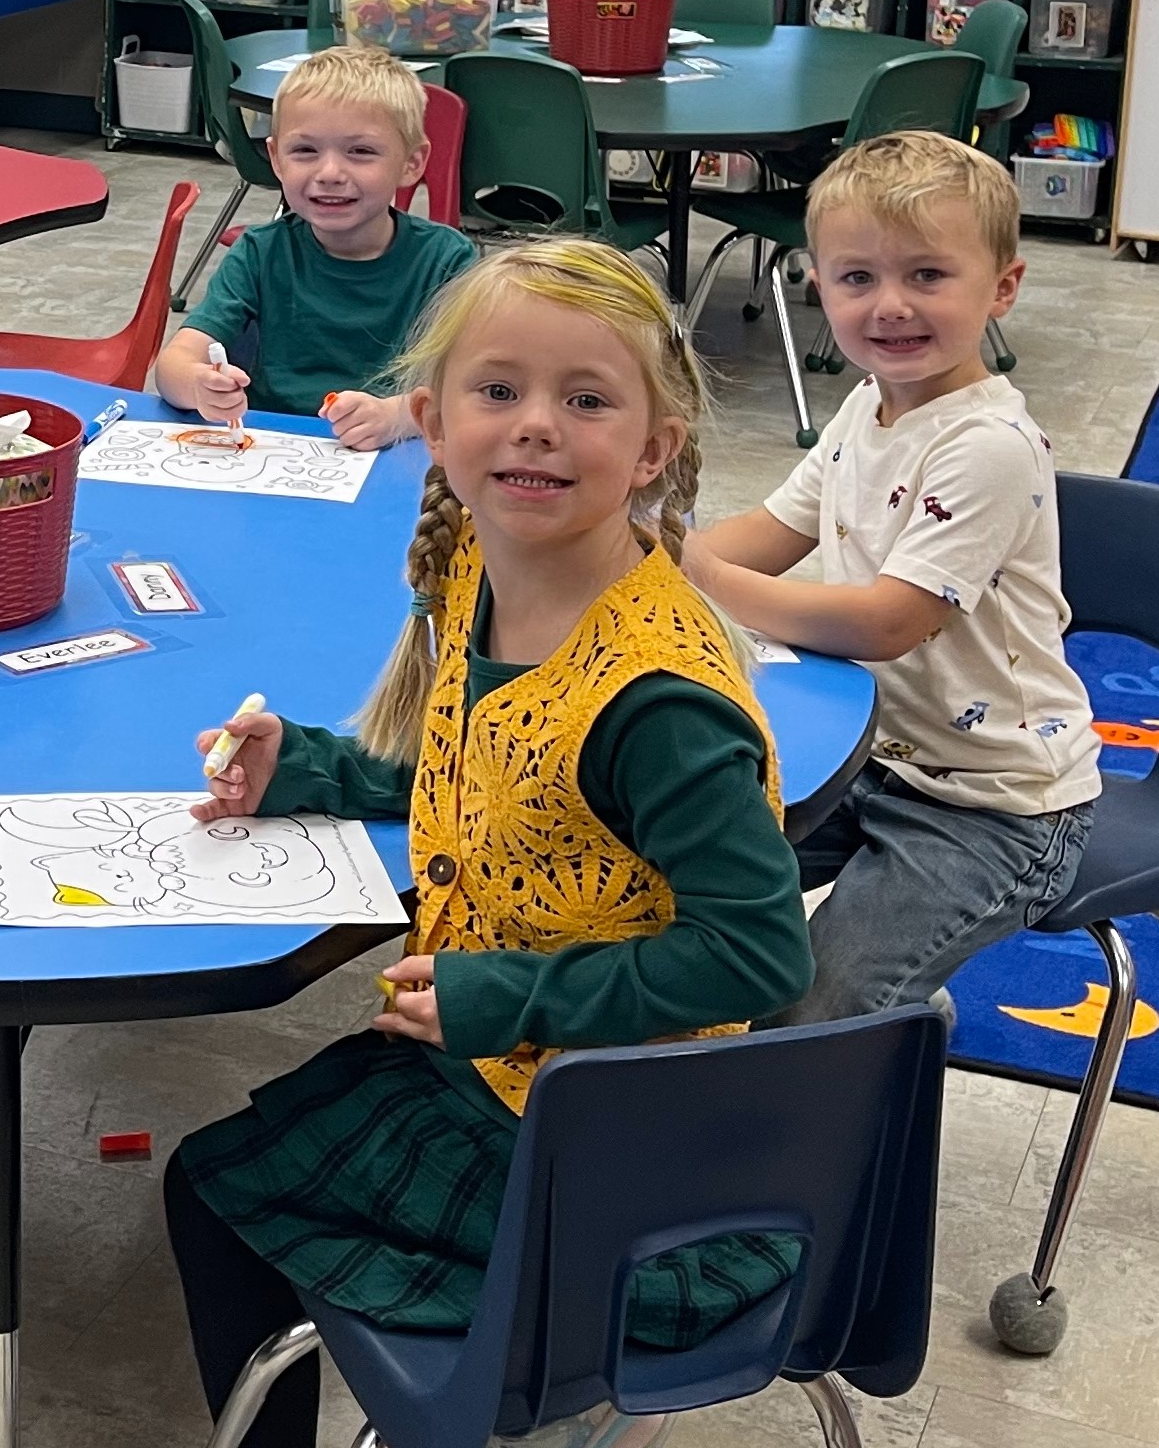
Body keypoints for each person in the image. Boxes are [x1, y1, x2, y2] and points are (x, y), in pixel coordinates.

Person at [166, 239, 810, 1448]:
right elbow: (488, 763)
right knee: (244, 1164)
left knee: (215, 1186)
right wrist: (308, 766)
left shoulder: (658, 703)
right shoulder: (480, 560)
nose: (536, 425)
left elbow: (758, 954)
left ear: (654, 448)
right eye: (498, 389)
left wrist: (505, 995)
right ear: (433, 420)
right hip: (518, 1066)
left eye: (587, 399)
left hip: (605, 1123)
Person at [686, 131, 1098, 1025]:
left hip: (995, 806)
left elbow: (885, 624)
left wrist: (696, 572)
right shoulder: (867, 406)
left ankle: (878, 1033)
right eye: (858, 278)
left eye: (928, 275)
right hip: (868, 760)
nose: (891, 306)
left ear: (1002, 288)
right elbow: (772, 532)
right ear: (818, 284)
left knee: (815, 1003)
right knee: (679, 885)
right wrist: (650, 571)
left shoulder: (986, 445)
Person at [155, 45, 473, 449]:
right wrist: (198, 385)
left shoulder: (446, 261)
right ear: (276, 159)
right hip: (274, 454)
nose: (330, 173)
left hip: (401, 456)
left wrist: (398, 415)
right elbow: (173, 364)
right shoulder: (259, 254)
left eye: (361, 152)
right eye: (305, 150)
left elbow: (478, 386)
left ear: (411, 162)